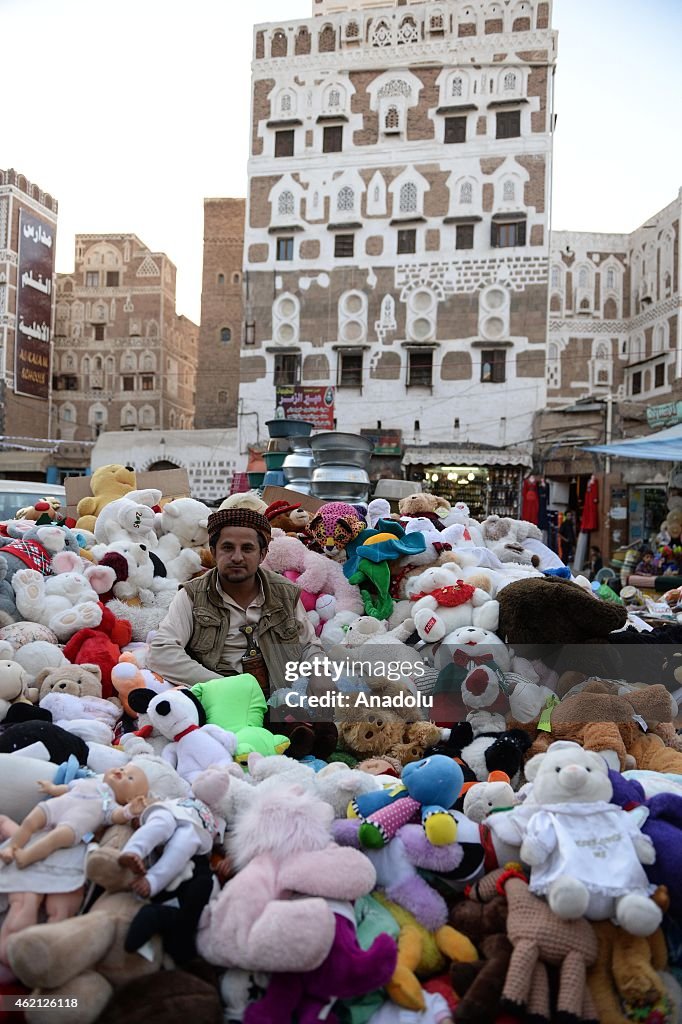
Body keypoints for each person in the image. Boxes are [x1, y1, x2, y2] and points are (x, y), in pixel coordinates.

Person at [148, 507, 323, 691]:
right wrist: (225, 686)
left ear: (262, 554)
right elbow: (161, 652)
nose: (237, 557)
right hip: (222, 700)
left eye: (247, 548)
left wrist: (319, 673)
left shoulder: (285, 592)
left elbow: (309, 645)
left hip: (283, 694)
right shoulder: (193, 594)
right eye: (227, 548)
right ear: (214, 552)